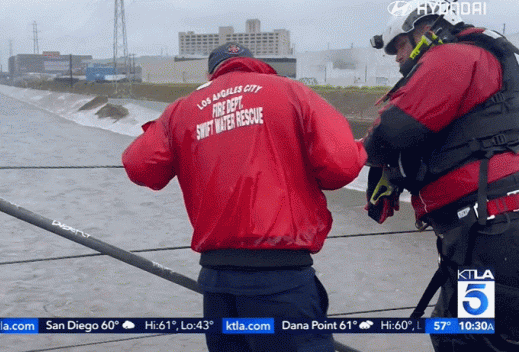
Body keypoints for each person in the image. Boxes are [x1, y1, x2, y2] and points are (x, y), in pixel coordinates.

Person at [122, 42, 366, 351]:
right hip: (281, 279)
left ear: (212, 73)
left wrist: (182, 125)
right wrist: (362, 149)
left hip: (217, 281)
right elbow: (340, 167)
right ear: (255, 65)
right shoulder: (292, 92)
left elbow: (139, 166)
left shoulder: (184, 108)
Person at [364, 0, 519, 350]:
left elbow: (394, 131)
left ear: (426, 29)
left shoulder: (452, 56)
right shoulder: (487, 59)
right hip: (491, 225)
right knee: (473, 330)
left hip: (489, 229)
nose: (397, 58)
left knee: (466, 337)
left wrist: (349, 151)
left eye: (399, 46)